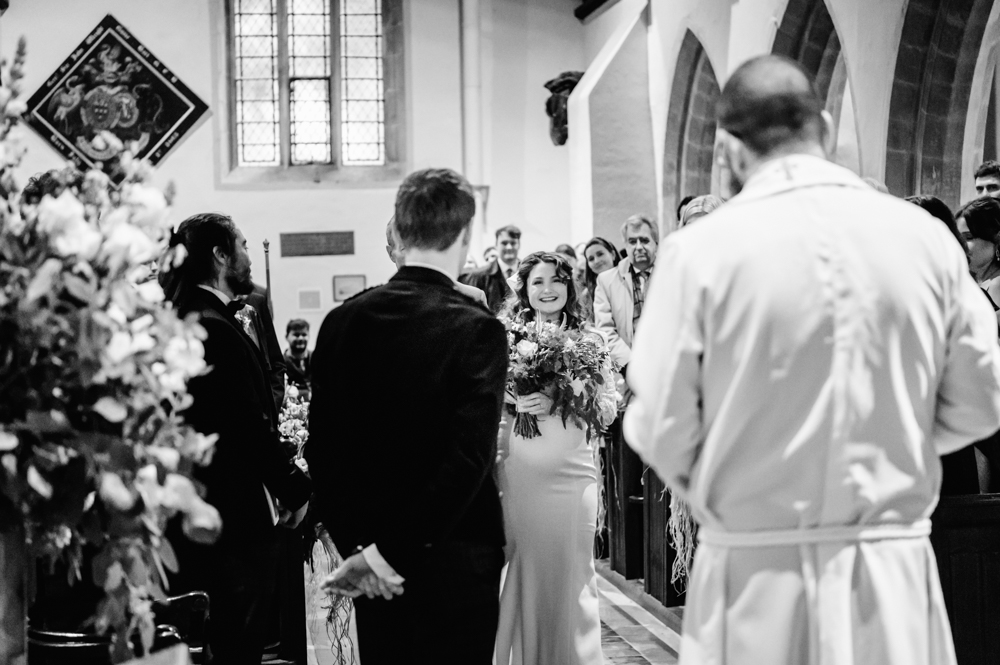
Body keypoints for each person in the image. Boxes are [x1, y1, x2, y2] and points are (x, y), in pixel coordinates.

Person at [623, 54, 1000, 665]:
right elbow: (983, 400)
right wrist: (890, 442)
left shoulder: (700, 253)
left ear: (728, 151)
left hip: (755, 571)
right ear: (824, 128)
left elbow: (660, 424)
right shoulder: (924, 239)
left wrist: (737, 483)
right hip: (887, 564)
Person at [306, 168, 507, 665]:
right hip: (456, 559)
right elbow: (468, 459)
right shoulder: (476, 327)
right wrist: (385, 554)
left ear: (399, 231)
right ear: (464, 234)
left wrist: (362, 549)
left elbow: (322, 448)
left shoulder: (342, 321)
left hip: (372, 564)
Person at [158, 213, 312, 665]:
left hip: (201, 509)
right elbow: (246, 426)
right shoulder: (215, 327)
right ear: (220, 255)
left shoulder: (184, 317)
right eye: (242, 246)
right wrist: (294, 488)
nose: (248, 256)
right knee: (237, 648)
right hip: (233, 519)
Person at [493, 252, 606, 665]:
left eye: (556, 280)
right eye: (537, 281)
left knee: (575, 568)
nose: (547, 289)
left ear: (569, 286)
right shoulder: (502, 337)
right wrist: (509, 397)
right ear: (523, 287)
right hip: (522, 468)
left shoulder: (589, 339)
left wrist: (562, 395)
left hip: (574, 469)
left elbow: (606, 408)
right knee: (527, 565)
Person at [593, 214, 658, 372]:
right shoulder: (606, 281)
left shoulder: (672, 274)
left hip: (665, 367)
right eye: (632, 241)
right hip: (626, 371)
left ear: (656, 242)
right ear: (625, 244)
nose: (638, 247)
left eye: (644, 240)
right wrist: (630, 365)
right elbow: (605, 329)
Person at [460, 225, 522, 313]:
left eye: (513, 243)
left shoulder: (528, 273)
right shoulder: (479, 276)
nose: (509, 247)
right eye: (504, 243)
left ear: (519, 245)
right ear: (496, 245)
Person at [579, 237, 620, 323]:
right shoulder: (587, 295)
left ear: (613, 254)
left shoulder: (630, 282)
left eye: (600, 254)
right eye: (591, 259)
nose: (596, 261)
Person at [284, 318, 312, 398]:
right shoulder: (281, 363)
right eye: (296, 335)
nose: (300, 338)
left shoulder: (316, 360)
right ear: (286, 337)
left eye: (304, 334)